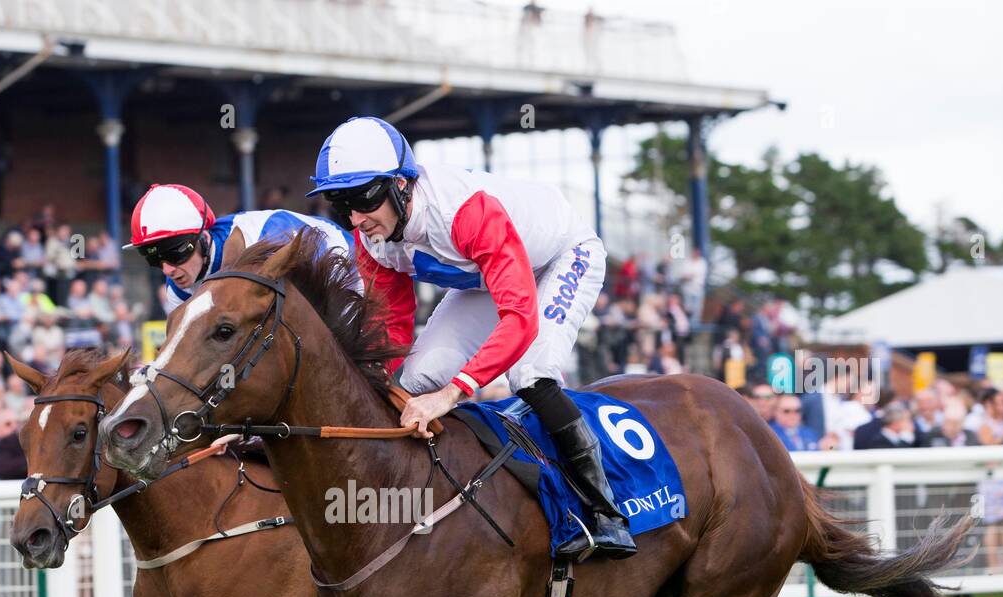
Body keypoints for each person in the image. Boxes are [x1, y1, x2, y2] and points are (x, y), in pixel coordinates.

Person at [306, 115, 633, 557]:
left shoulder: (462, 212)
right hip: (488, 279)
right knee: (414, 380)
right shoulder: (372, 238)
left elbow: (519, 318)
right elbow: (390, 327)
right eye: (341, 205)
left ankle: (605, 514)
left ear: (401, 186)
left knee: (530, 373)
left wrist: (454, 393)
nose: (357, 219)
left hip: (560, 256)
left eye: (365, 200)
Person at [123, 183, 353, 318]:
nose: (167, 270)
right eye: (155, 260)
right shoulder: (178, 290)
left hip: (348, 270)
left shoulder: (265, 238)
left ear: (203, 238)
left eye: (174, 255)